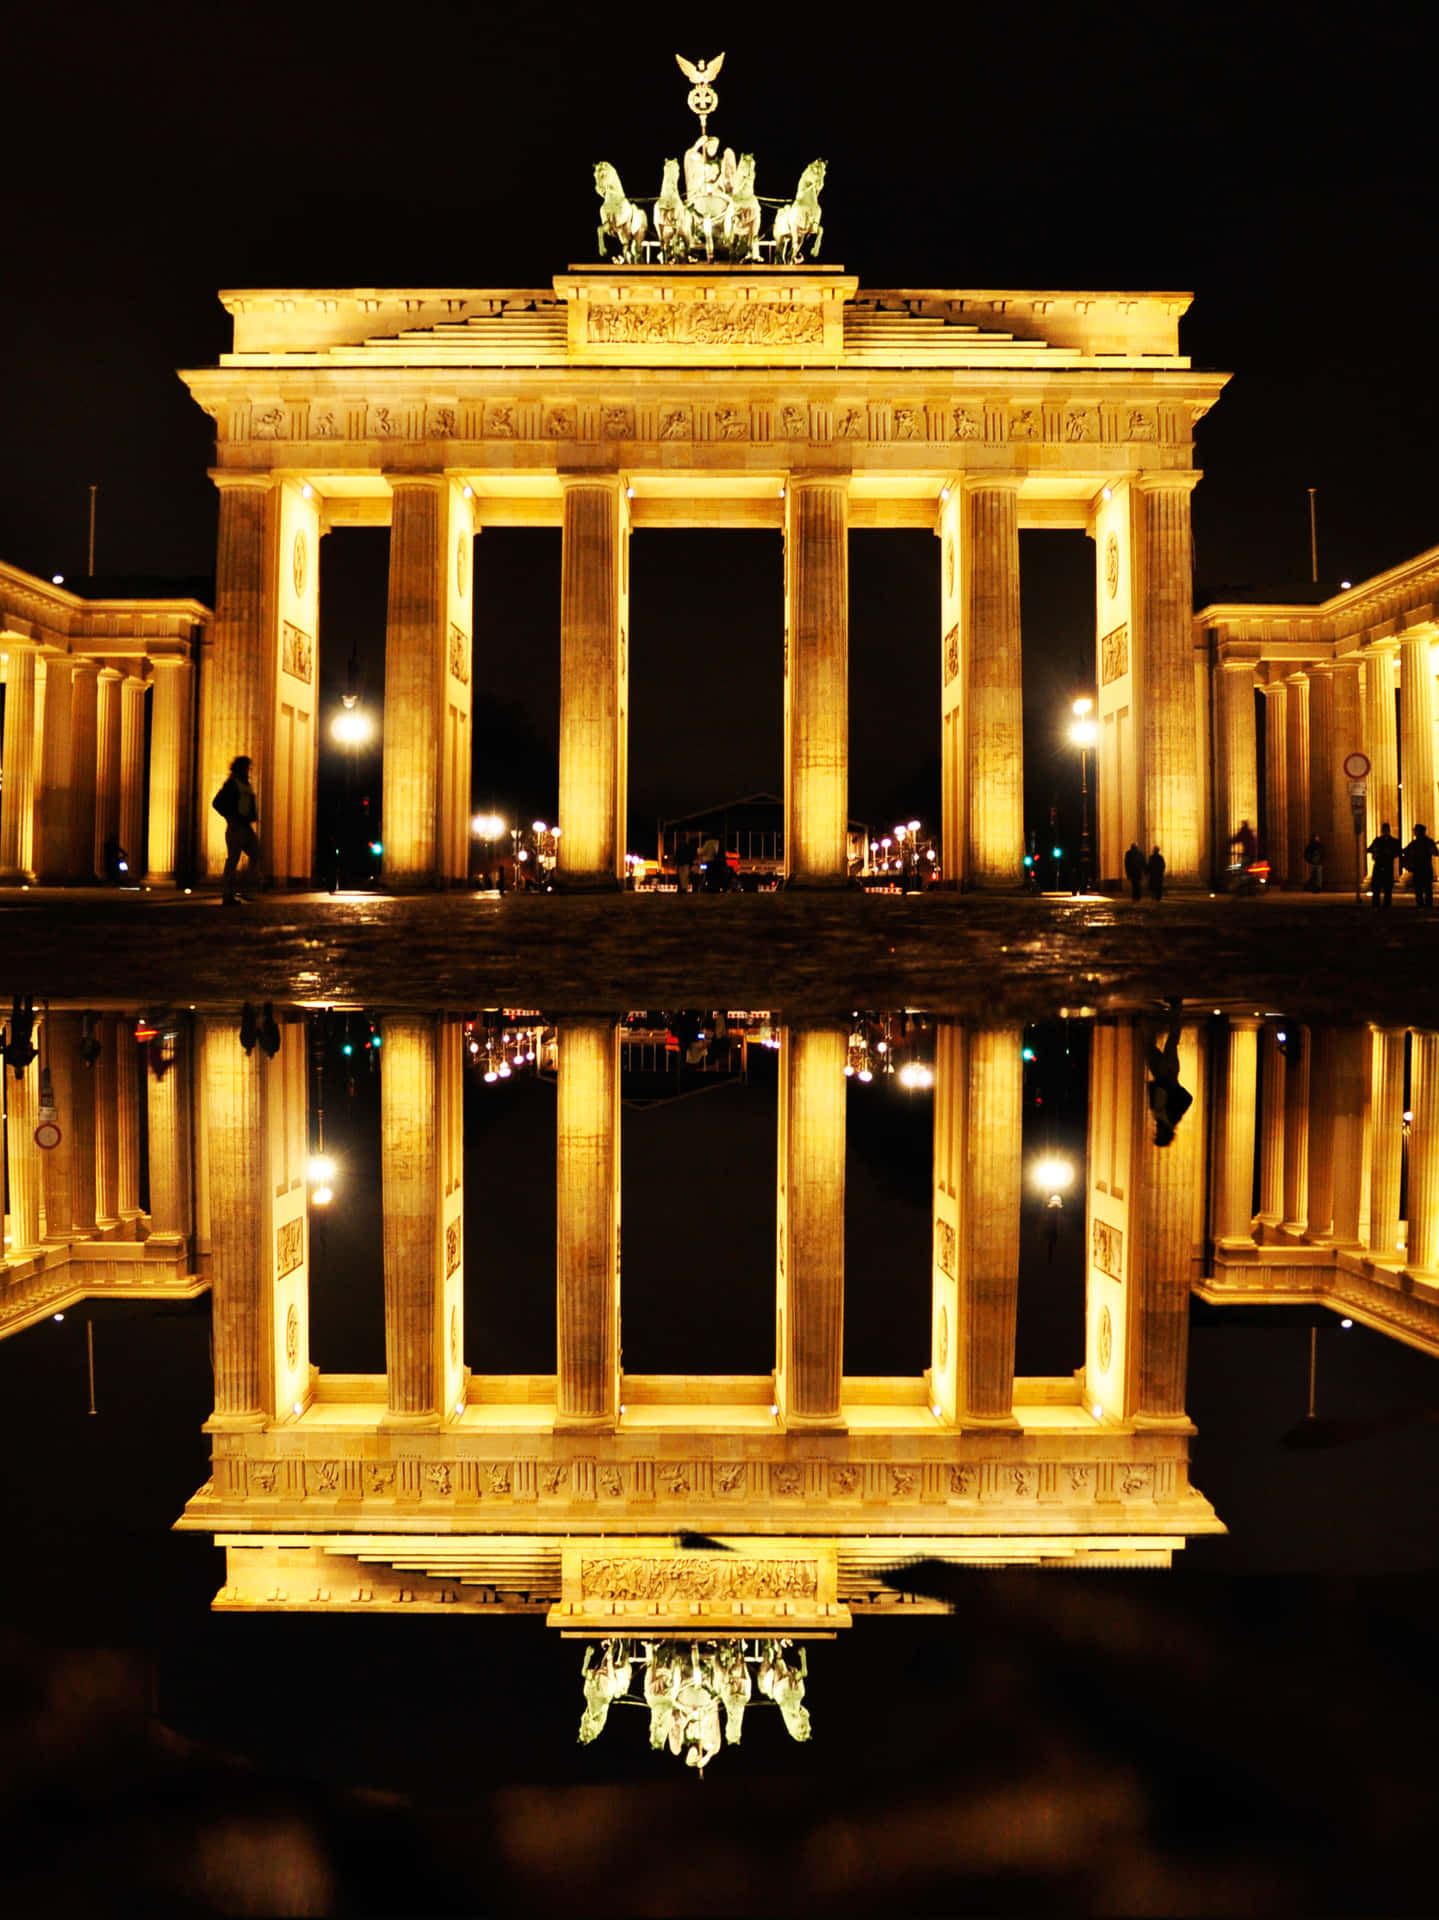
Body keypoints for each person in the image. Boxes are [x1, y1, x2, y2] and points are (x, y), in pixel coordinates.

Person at [1144, 1000, 1194, 1147]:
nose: (1156, 1132)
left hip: (1159, 1075)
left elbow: (1155, 1101)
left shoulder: (1160, 1121)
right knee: (1172, 1040)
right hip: (1169, 1073)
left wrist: (1152, 1087)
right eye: (1158, 1135)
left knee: (1148, 1046)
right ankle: (1176, 1007)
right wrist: (1173, 1086)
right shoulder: (1173, 1118)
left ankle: (1155, 1015)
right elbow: (1187, 1099)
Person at [212, 754, 260, 904]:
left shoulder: (245, 783)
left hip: (245, 826)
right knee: (233, 860)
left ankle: (245, 888)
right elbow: (217, 802)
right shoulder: (232, 783)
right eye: (247, 767)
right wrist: (230, 817)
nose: (249, 769)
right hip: (236, 826)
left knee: (256, 854)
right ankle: (228, 894)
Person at [1402, 822, 1439, 908]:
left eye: (1416, 831)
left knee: (1423, 889)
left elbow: (1435, 853)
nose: (1414, 833)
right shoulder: (1423, 842)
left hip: (1422, 868)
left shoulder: (1420, 842)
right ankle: (1425, 905)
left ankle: (1423, 905)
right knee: (1424, 889)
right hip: (1421, 868)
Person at [1367, 821, 1403, 907]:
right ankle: (1376, 904)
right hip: (1379, 865)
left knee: (1388, 888)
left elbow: (1398, 852)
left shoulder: (1393, 841)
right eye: (1384, 830)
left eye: (1386, 830)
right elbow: (1369, 849)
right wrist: (1375, 851)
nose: (1385, 832)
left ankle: (1387, 905)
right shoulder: (1378, 840)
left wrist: (1390, 853)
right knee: (1376, 887)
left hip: (1388, 866)